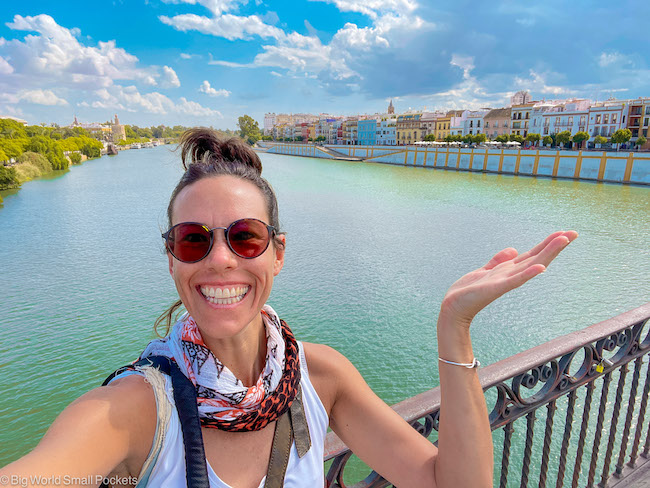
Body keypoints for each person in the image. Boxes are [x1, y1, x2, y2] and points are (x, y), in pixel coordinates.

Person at [1, 128, 577, 487]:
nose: (220, 260)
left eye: (245, 237)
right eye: (194, 240)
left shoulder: (319, 376)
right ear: (173, 260)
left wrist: (455, 328)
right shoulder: (133, 409)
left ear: (277, 254)